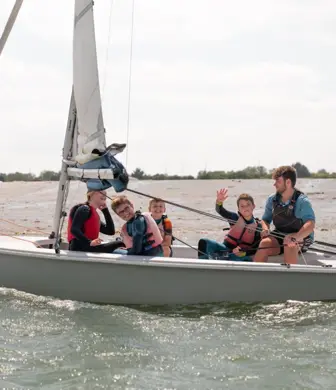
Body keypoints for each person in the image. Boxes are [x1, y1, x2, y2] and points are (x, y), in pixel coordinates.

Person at [254, 165, 315, 264]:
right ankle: (255, 276)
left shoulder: (302, 201)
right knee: (264, 243)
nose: (274, 184)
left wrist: (296, 237)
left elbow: (310, 225)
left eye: (278, 181)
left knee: (288, 242)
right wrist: (265, 228)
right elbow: (265, 220)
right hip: (280, 234)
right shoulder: (272, 199)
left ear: (288, 182)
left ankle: (290, 277)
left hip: (301, 237)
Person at [197, 189, 262, 261]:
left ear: (253, 206)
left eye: (248, 205)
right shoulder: (234, 218)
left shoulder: (258, 226)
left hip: (239, 255)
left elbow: (255, 248)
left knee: (246, 259)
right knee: (203, 242)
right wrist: (219, 202)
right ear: (238, 209)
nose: (245, 208)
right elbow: (220, 210)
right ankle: (205, 267)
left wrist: (243, 253)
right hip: (225, 249)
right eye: (242, 206)